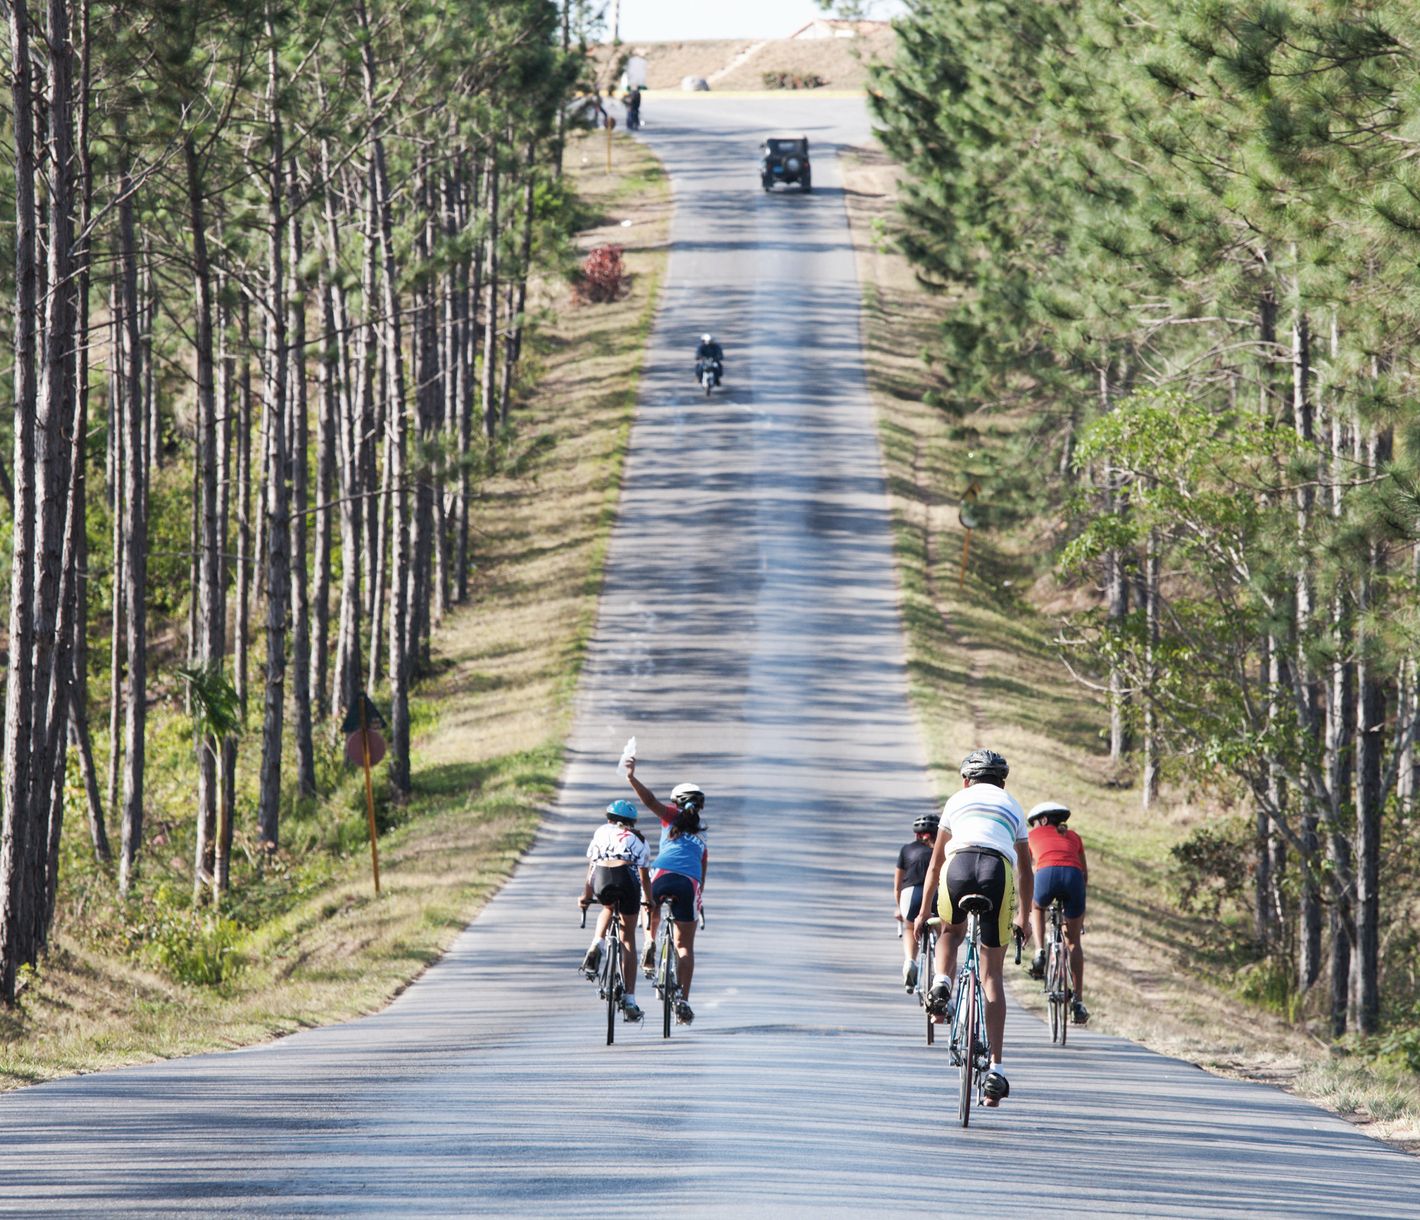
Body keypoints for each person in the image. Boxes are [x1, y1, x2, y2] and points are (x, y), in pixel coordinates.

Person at [916, 748, 1033, 1107]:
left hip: (959, 866)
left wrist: (922, 914)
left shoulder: (956, 800)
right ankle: (996, 1070)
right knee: (991, 974)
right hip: (997, 870)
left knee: (951, 932)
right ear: (1003, 781)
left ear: (966, 780)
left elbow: (935, 866)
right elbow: (1027, 870)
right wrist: (1024, 919)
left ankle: (942, 983)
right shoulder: (1012, 804)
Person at [627, 759, 708, 1025]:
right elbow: (702, 878)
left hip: (661, 874)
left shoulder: (670, 817)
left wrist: (631, 777)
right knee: (685, 946)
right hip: (689, 883)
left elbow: (649, 801)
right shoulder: (702, 839)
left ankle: (650, 940)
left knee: (649, 904)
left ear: (675, 803)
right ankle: (683, 1000)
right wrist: (699, 904)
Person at [578, 798, 653, 1022]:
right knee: (627, 937)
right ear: (631, 822)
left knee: (608, 907)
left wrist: (586, 897)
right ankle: (629, 998)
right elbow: (644, 876)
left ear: (609, 819)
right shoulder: (638, 838)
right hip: (626, 877)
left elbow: (592, 866)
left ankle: (596, 944)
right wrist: (648, 901)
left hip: (601, 877)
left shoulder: (600, 832)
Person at [1026, 800, 1089, 1025]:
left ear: (1042, 820)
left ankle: (1040, 951)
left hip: (1047, 875)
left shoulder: (1032, 837)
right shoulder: (1074, 837)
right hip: (1073, 879)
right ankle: (1079, 1002)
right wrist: (1078, 916)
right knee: (1074, 943)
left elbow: (1027, 870)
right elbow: (1084, 875)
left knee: (1037, 906)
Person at [894, 814, 940, 990]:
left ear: (916, 835)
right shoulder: (942, 850)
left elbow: (898, 886)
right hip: (936, 893)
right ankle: (939, 972)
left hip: (910, 894)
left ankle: (910, 961)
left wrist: (900, 908)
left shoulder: (906, 850)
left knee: (910, 926)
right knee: (943, 931)